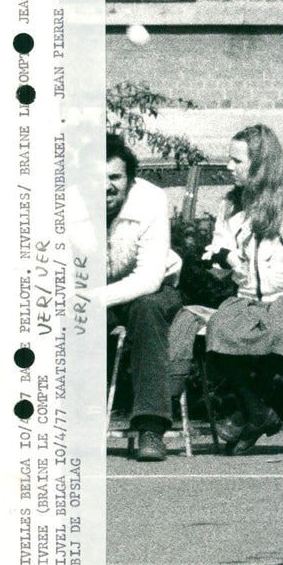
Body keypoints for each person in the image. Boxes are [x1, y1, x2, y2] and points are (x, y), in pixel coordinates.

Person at [204, 124, 283, 454]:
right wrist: (229, 259)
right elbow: (215, 252)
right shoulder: (230, 205)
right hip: (243, 298)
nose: (229, 167)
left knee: (279, 332)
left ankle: (247, 415)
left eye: (236, 161)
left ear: (259, 164)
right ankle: (257, 412)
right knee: (218, 332)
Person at [105, 133, 183, 462]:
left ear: (130, 179)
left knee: (147, 309)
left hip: (155, 286)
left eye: (114, 177)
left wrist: (86, 300)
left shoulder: (150, 198)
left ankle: (151, 427)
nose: (105, 186)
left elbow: (149, 279)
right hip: (100, 290)